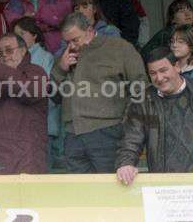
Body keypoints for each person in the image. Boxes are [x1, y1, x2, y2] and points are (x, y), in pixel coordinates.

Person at [51, 12, 147, 174]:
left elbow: (141, 87)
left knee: (112, 190)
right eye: (67, 42)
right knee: (79, 194)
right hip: (72, 135)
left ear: (89, 30)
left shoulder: (119, 48)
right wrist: (61, 69)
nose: (72, 46)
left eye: (76, 40)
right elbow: (54, 96)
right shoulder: (65, 57)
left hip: (108, 131)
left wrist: (124, 122)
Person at [116, 47, 193, 185]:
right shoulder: (143, 101)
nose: (159, 78)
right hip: (163, 184)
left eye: (163, 70)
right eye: (153, 73)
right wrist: (126, 163)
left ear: (177, 67)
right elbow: (131, 139)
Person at [0, 34, 48, 174]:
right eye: (0, 52)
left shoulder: (35, 71)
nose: (4, 56)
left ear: (23, 50)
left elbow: (30, 91)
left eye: (9, 50)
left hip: (24, 159)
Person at [12, 17, 64, 168]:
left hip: (43, 123)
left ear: (34, 35)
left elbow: (46, 91)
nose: (18, 38)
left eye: (22, 33)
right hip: (23, 124)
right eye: (16, 35)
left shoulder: (45, 57)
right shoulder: (16, 58)